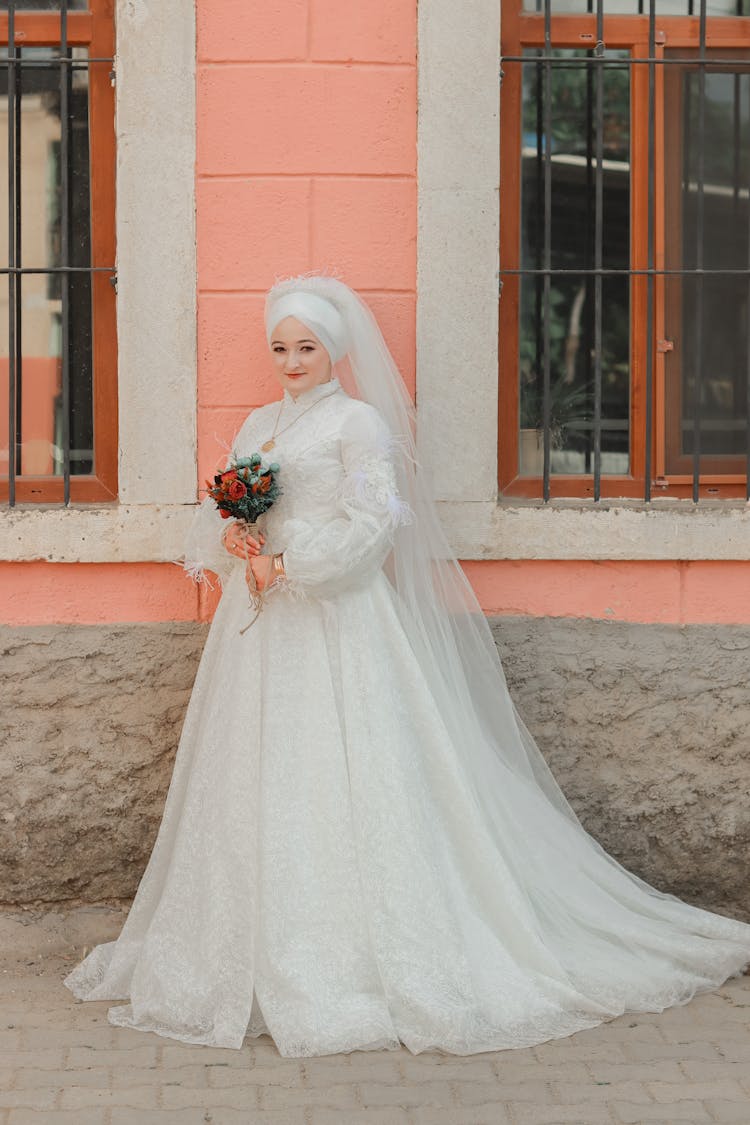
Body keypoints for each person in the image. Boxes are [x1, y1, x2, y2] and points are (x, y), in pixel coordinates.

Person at [63, 274, 750, 1057]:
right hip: (258, 631)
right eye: (280, 347)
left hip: (339, 621)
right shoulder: (258, 421)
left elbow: (374, 525)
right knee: (254, 775)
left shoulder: (357, 424)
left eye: (307, 347)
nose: (291, 361)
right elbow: (224, 509)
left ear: (335, 350)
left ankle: (361, 955)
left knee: (351, 772)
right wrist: (239, 542)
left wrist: (292, 566)